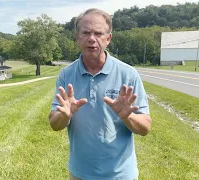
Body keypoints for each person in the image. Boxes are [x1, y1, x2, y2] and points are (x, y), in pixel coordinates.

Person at [49, 8, 152, 180]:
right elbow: (54, 124)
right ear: (77, 37)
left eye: (98, 33)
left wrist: (128, 117)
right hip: (80, 174)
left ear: (108, 38)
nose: (92, 38)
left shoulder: (128, 74)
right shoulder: (67, 75)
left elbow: (146, 127)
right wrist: (64, 115)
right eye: (86, 32)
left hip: (120, 175)